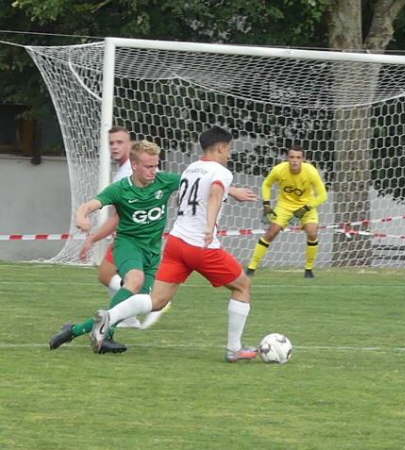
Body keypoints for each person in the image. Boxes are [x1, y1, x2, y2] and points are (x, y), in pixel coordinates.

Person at [89, 126, 259, 362]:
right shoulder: (221, 171)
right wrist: (209, 226)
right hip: (201, 246)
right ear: (220, 147)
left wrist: (232, 193)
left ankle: (109, 316)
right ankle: (234, 349)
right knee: (243, 287)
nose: (229, 154)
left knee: (156, 301)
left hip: (176, 243)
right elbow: (215, 194)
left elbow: (192, 194)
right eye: (228, 149)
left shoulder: (191, 168)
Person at [49, 140, 182, 353]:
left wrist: (230, 190)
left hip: (153, 250)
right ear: (134, 165)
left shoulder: (164, 181)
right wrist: (81, 216)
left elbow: (198, 182)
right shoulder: (120, 189)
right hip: (128, 245)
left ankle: (74, 330)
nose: (153, 171)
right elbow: (90, 205)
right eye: (148, 166)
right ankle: (105, 336)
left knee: (143, 301)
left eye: (155, 165)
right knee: (134, 281)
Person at [79, 126, 168, 329]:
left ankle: (131, 312)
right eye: (111, 143)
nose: (115, 147)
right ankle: (129, 315)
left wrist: (93, 238)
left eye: (120, 142)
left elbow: (117, 218)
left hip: (134, 237)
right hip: (130, 235)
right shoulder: (126, 171)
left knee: (117, 277)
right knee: (107, 275)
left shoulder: (131, 172)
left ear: (130, 145)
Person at [246, 144, 328, 278]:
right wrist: (266, 204)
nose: (295, 160)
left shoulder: (311, 171)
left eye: (298, 157)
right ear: (287, 158)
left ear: (303, 159)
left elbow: (323, 195)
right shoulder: (279, 170)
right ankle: (251, 267)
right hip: (285, 205)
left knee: (312, 232)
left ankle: (309, 269)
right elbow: (267, 184)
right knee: (271, 233)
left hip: (306, 206)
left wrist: (305, 208)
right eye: (291, 157)